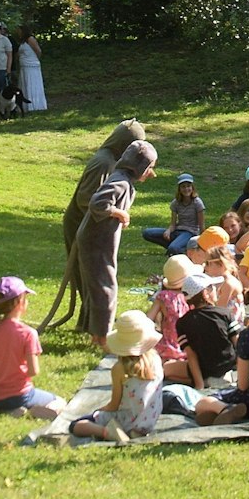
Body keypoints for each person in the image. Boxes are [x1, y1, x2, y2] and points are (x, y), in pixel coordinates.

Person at [79, 140, 158, 350]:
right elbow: (98, 203)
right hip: (96, 243)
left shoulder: (123, 180)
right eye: (150, 168)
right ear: (139, 167)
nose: (152, 174)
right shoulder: (121, 181)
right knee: (106, 288)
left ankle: (95, 333)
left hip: (98, 240)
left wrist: (118, 217)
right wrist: (119, 212)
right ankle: (102, 338)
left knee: (98, 286)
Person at [0, 276, 65, 420]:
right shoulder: (28, 333)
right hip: (21, 395)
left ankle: (11, 411)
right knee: (60, 401)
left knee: (8, 404)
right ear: (20, 303)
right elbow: (33, 370)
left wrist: (0, 371)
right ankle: (38, 411)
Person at [69, 310, 163, 443]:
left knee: (76, 425)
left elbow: (114, 405)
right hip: (149, 420)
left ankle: (108, 432)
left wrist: (99, 410)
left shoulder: (120, 369)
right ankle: (134, 432)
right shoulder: (156, 359)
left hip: (127, 420)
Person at [139, 173, 205, 255]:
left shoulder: (197, 203)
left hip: (190, 233)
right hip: (178, 231)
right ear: (179, 189)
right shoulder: (176, 202)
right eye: (183, 186)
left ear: (192, 188)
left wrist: (201, 243)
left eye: (188, 186)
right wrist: (168, 231)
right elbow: (173, 224)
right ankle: (174, 247)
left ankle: (178, 249)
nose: (186, 189)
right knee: (147, 233)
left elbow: (201, 225)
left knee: (173, 248)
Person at [15, 27, 47, 112]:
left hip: (31, 66)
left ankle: (35, 104)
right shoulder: (22, 42)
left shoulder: (30, 39)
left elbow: (38, 51)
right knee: (25, 84)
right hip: (24, 67)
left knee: (32, 84)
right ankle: (25, 106)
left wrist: (34, 60)